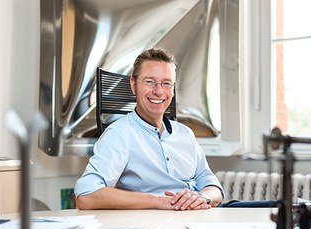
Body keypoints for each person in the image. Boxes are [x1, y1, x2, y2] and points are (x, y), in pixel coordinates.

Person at [74, 48, 224, 210]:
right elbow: (86, 195)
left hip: (201, 216)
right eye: (149, 82)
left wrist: (203, 197)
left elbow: (212, 186)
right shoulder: (119, 134)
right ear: (133, 85)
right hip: (159, 222)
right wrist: (159, 201)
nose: (158, 91)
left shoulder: (185, 133)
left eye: (166, 83)